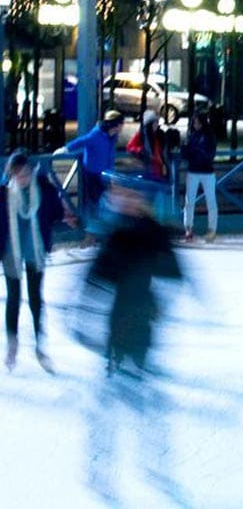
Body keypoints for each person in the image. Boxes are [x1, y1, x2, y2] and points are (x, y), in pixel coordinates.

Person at [74, 171, 187, 504]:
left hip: (142, 323)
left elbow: (176, 274)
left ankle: (152, 457)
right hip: (118, 323)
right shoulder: (118, 234)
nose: (120, 198)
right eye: (118, 193)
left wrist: (162, 303)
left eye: (126, 194)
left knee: (140, 394)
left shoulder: (154, 233)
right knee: (110, 396)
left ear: (140, 199)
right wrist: (82, 318)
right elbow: (94, 280)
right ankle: (101, 460)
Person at [2, 150, 77, 372]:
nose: (21, 178)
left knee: (36, 298)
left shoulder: (44, 189)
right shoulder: (5, 195)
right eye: (16, 175)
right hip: (11, 252)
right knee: (14, 298)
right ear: (11, 175)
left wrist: (68, 217)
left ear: (30, 171)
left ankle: (39, 346)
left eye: (24, 173)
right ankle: (12, 345)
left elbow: (57, 212)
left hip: (35, 251)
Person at [60, 110, 123, 233]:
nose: (122, 126)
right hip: (91, 174)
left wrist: (112, 173)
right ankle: (89, 230)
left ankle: (99, 228)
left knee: (103, 201)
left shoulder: (112, 137)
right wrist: (66, 149)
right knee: (92, 202)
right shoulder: (97, 135)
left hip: (104, 174)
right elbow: (81, 141)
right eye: (121, 123)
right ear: (115, 124)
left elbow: (110, 156)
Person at [180, 110, 218, 242]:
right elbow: (187, 153)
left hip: (206, 171)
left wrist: (193, 152)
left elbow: (209, 154)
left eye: (197, 122)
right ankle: (188, 229)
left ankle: (212, 229)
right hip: (194, 171)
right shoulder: (192, 135)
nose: (195, 125)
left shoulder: (209, 136)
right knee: (189, 201)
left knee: (210, 201)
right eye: (194, 122)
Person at [127, 110, 169, 182]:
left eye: (157, 122)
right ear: (150, 124)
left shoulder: (160, 135)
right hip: (149, 167)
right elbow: (130, 147)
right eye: (155, 122)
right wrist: (140, 150)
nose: (157, 125)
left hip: (159, 168)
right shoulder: (142, 135)